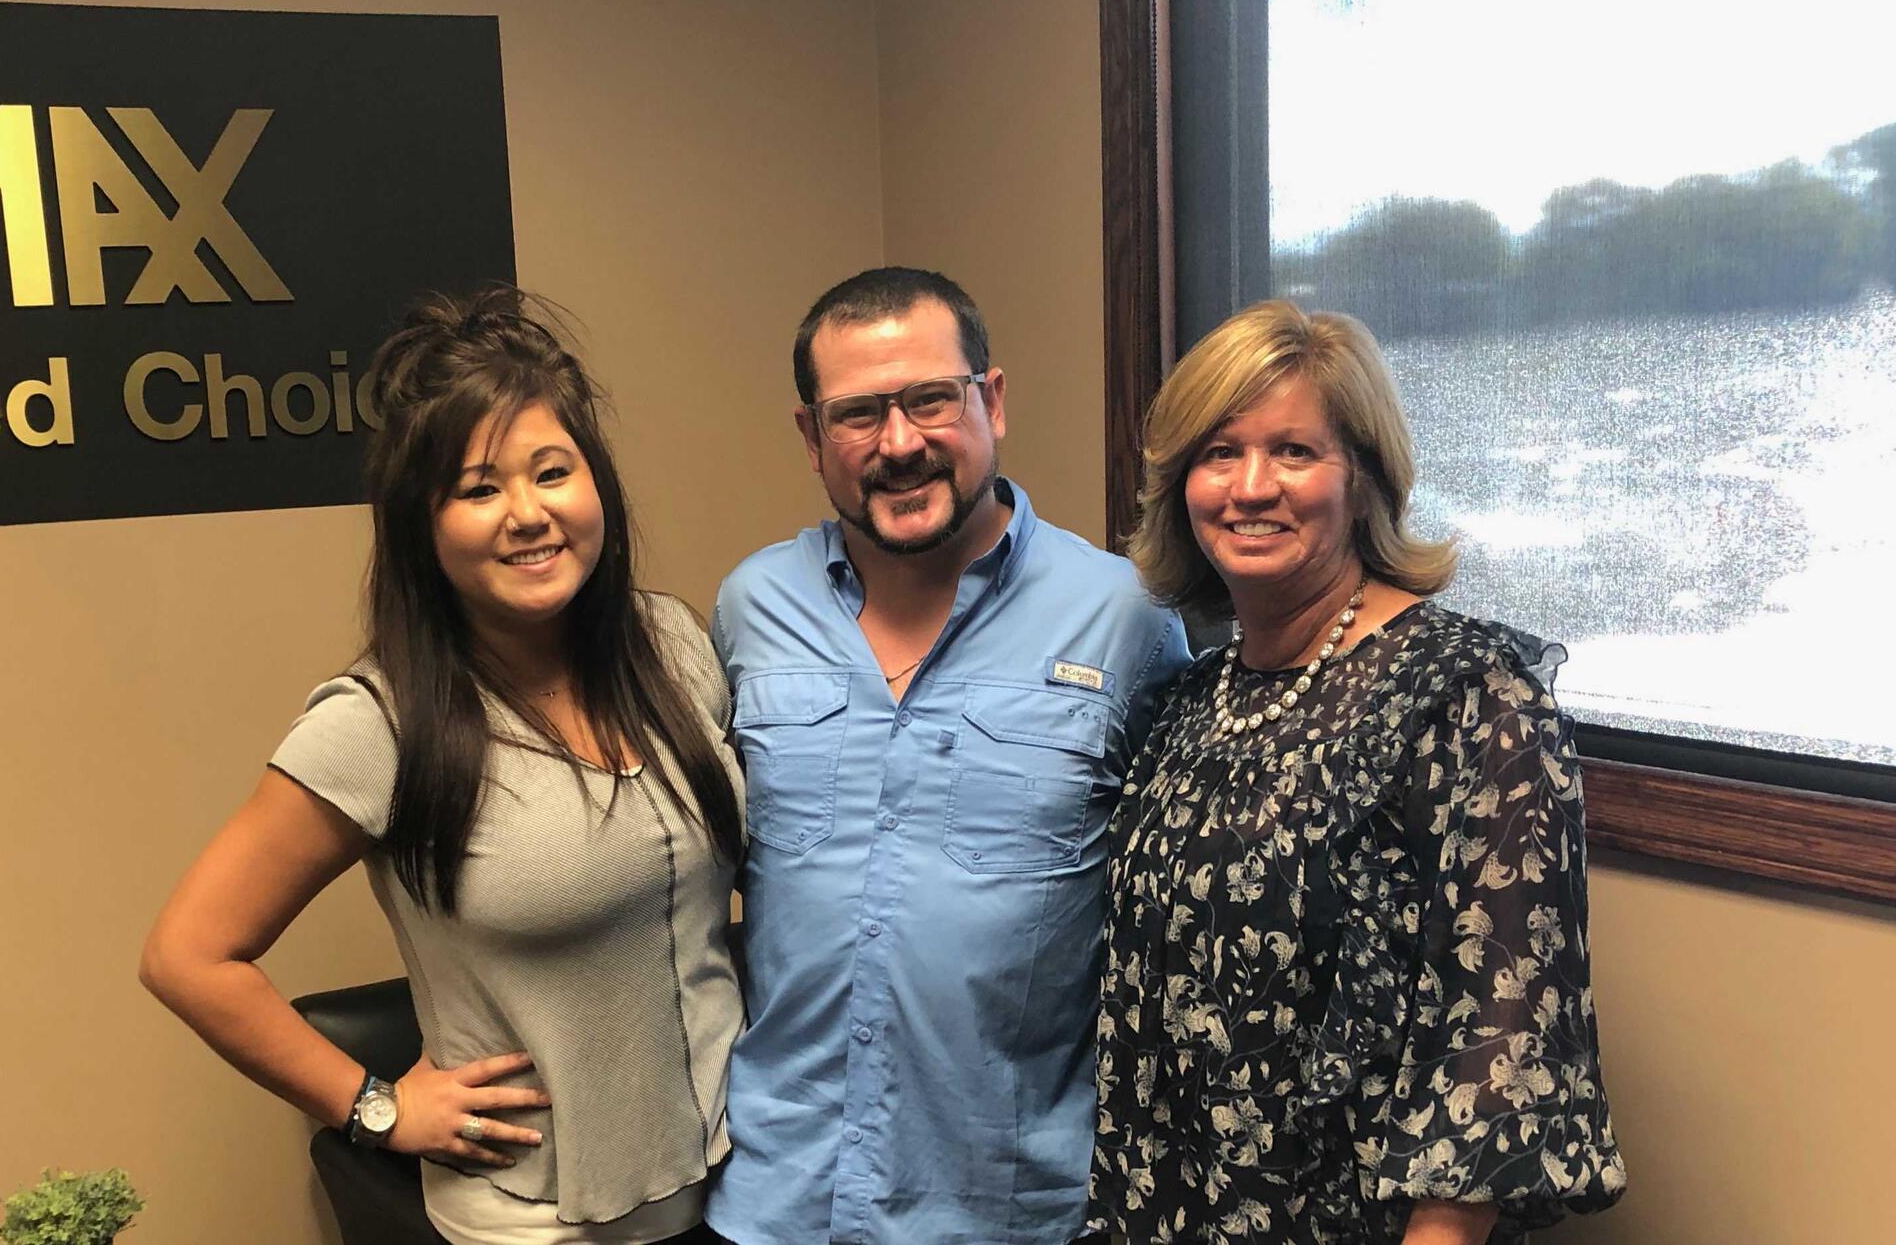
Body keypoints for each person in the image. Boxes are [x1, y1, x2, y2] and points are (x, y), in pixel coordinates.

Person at [140, 287, 742, 1245]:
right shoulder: (381, 723)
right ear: (421, 526)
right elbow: (188, 956)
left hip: (735, 1187)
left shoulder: (671, 646)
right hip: (538, 1224)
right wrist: (376, 1108)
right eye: (478, 489)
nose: (528, 514)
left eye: (553, 472)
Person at [1086, 301, 1626, 1244]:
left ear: (1364, 480)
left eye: (1294, 451)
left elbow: (1498, 1045)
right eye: (1219, 453)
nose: (1251, 486)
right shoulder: (1192, 700)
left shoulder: (1469, 696)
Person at [705, 267, 1192, 1244]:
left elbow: (1175, 921)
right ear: (811, 437)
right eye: (857, 414)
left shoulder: (1125, 619)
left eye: (930, 399)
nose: (898, 443)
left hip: (1006, 1206)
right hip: (774, 1197)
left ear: (991, 401)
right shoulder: (752, 608)